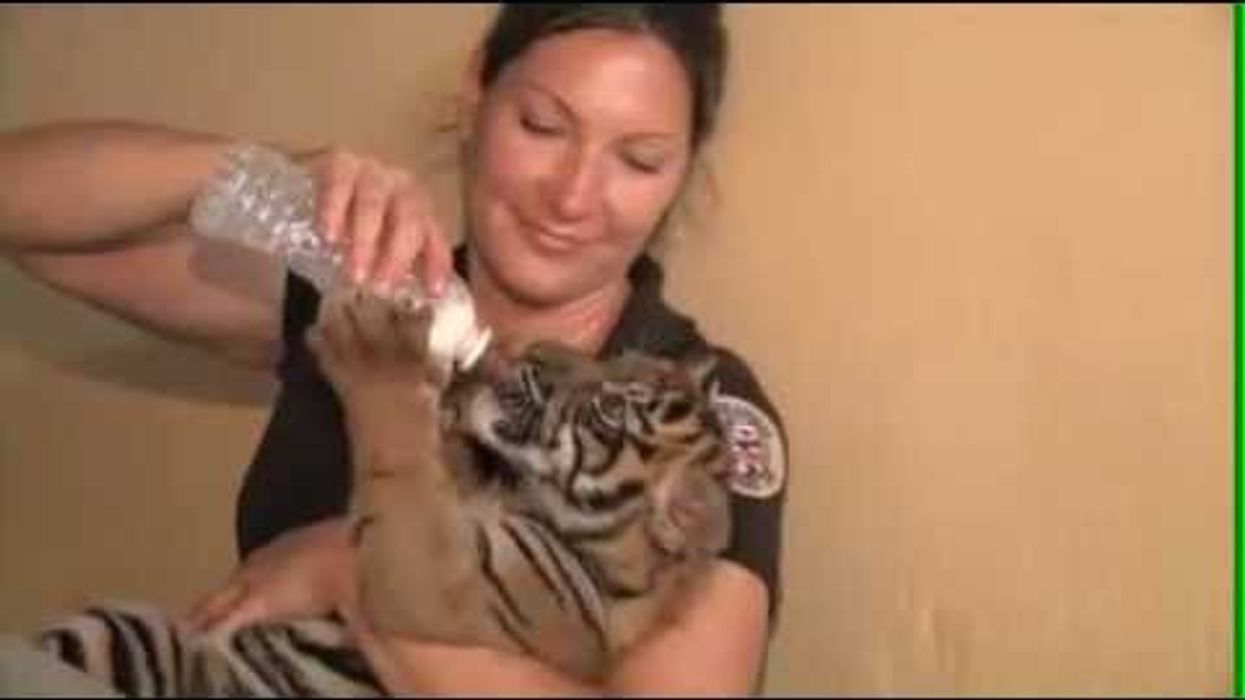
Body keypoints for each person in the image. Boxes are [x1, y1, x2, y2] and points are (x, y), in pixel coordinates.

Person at [0, 4, 788, 695]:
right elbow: (31, 220)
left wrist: (362, 568)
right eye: (543, 126)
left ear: (683, 169)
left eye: (638, 160)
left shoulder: (694, 417)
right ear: (477, 93)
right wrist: (256, 175)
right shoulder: (366, 293)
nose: (574, 197)